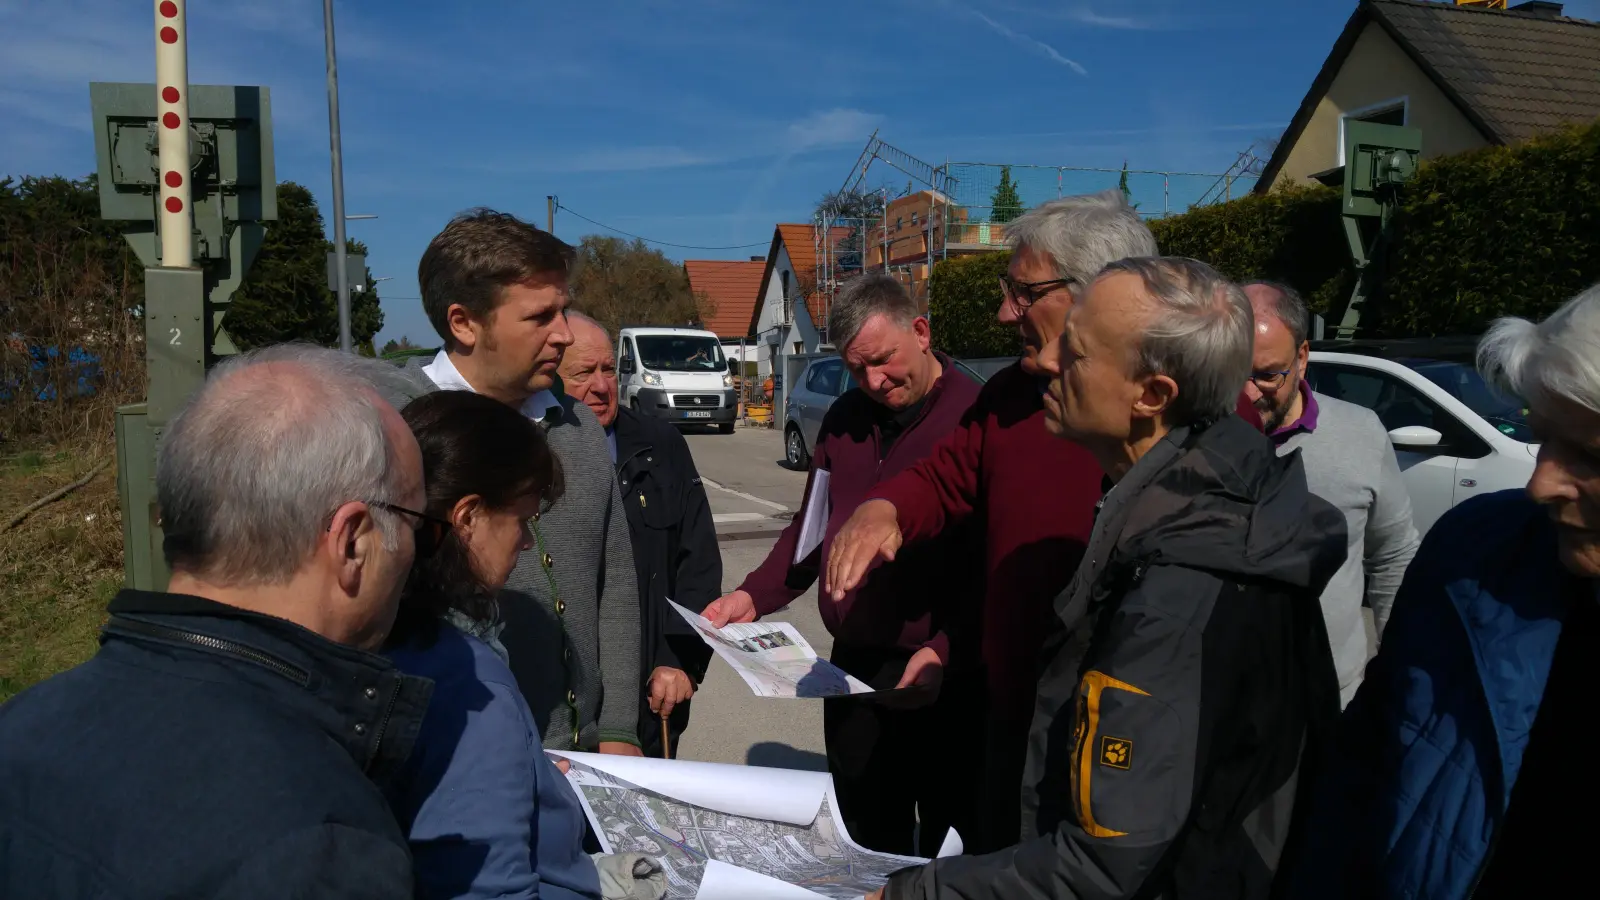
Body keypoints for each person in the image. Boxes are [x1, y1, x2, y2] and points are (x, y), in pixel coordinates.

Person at [874, 258, 1346, 900]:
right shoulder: (1189, 502)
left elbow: (1105, 865)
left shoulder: (1178, 584)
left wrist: (912, 893)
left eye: (1079, 350)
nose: (1048, 361)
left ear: (1150, 396)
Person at [0, 345, 432, 898]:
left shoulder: (23, 722)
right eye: (421, 525)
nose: (420, 556)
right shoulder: (314, 843)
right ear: (351, 542)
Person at [825, 191, 1155, 851]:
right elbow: (946, 477)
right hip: (1011, 721)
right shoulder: (1010, 395)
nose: (1006, 312)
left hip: (1125, 736)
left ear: (1102, 294)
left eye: (1023, 293)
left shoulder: (1181, 408)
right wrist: (885, 508)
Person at [1290, 283, 1600, 899]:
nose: (1541, 484)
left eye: (1587, 453)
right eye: (1543, 438)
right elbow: (1361, 776)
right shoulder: (1474, 553)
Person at [702, 273, 984, 856]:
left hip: (946, 673)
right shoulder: (844, 420)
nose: (874, 382)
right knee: (864, 834)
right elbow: (809, 533)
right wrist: (753, 596)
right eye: (857, 370)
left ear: (922, 332)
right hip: (855, 673)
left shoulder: (978, 418)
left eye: (883, 362)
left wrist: (947, 651)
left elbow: (1001, 566)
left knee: (948, 840)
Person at [385, 390, 665, 900]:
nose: (529, 543)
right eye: (521, 521)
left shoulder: (391, 630)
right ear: (467, 518)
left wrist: (533, 778)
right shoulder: (469, 687)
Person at [395, 208, 642, 756]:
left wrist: (621, 726)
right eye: (540, 317)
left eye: (564, 310)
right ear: (464, 323)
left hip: (582, 757)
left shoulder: (576, 426)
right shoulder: (396, 431)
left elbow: (616, 579)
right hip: (454, 758)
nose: (564, 334)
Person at [1243, 281, 1419, 706]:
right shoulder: (1196, 435)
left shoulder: (1361, 432)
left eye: (1267, 375)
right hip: (1224, 703)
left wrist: (1396, 664)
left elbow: (1394, 553)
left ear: (1302, 357)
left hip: (1331, 698)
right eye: (1234, 373)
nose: (1248, 394)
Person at [559, 311, 721, 758]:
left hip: (654, 695)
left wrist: (681, 658)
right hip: (570, 705)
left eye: (608, 369)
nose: (601, 385)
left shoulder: (661, 443)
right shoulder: (538, 455)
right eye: (583, 373)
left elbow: (699, 562)